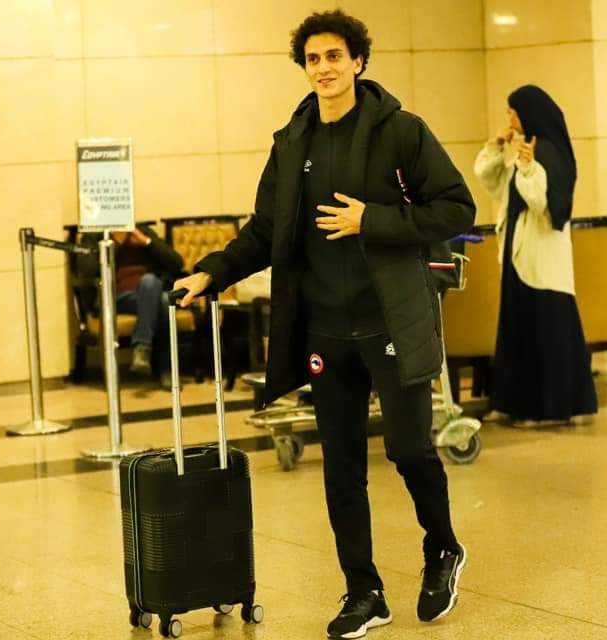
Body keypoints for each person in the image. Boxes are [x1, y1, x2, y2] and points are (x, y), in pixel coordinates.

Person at [174, 10, 475, 638]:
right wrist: (211, 273)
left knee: (409, 449)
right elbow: (266, 229)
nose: (324, 68)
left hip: (390, 319)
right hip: (325, 330)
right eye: (313, 59)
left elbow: (455, 207)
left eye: (335, 56)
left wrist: (373, 221)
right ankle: (364, 591)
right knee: (340, 467)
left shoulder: (401, 132)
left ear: (359, 61)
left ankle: (443, 547)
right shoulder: (293, 142)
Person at [473, 85, 597, 426]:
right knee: (517, 329)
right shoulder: (526, 150)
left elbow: (542, 202)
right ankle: (511, 403)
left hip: (542, 255)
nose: (509, 118)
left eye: (513, 111)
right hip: (519, 252)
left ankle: (550, 409)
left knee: (546, 332)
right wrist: (497, 146)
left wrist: (528, 168)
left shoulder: (550, 152)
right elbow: (492, 180)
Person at [112, 225, 183, 385]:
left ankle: (142, 349)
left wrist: (146, 242)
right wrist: (115, 245)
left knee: (158, 292)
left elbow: (177, 263)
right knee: (161, 299)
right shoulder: (98, 236)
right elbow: (87, 269)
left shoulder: (142, 231)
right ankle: (166, 369)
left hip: (149, 293)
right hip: (119, 298)